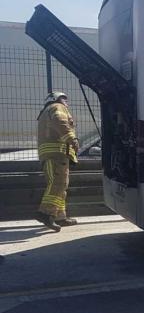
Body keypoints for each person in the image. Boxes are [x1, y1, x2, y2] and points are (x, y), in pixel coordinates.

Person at [35, 91, 79, 231]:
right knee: (58, 183)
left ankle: (60, 216)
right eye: (64, 99)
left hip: (52, 154)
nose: (66, 102)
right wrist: (72, 139)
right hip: (56, 154)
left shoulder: (45, 111)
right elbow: (60, 122)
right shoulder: (57, 107)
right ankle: (45, 213)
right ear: (55, 99)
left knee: (60, 184)